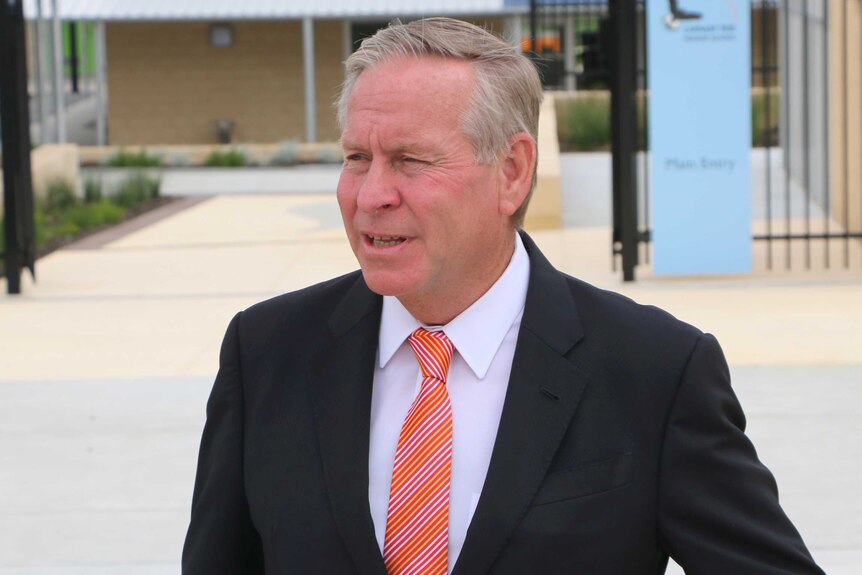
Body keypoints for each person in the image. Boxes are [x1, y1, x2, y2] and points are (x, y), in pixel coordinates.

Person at [182, 18, 824, 575]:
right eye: (356, 158)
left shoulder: (655, 370)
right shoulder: (265, 352)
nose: (370, 193)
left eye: (409, 160)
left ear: (513, 172)